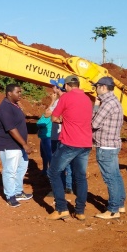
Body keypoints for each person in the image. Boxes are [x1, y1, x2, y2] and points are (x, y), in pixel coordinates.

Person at [48, 75, 93, 221]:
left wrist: (63, 120)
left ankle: (61, 208)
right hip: (85, 143)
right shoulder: (87, 99)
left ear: (67, 85)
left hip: (70, 142)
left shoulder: (66, 97)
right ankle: (80, 211)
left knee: (53, 172)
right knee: (80, 177)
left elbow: (53, 118)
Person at [91, 76, 126, 220]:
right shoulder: (114, 101)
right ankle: (120, 204)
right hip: (112, 145)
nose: (95, 89)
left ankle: (113, 210)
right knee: (115, 176)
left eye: (97, 87)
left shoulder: (107, 104)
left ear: (103, 87)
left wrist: (95, 107)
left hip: (105, 147)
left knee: (110, 178)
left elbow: (94, 123)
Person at [0, 83, 31, 208]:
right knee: (10, 171)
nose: (20, 94)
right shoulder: (5, 108)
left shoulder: (14, 105)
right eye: (18, 92)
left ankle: (18, 191)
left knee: (21, 168)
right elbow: (11, 129)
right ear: (9, 93)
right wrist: (24, 144)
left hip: (18, 145)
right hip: (9, 144)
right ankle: (10, 196)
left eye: (20, 91)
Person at [46, 80, 73, 196]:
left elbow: (47, 114)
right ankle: (69, 186)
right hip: (68, 136)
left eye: (54, 86)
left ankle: (59, 187)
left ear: (58, 88)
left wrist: (52, 101)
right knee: (68, 162)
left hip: (57, 136)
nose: (52, 87)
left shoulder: (59, 101)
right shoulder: (71, 100)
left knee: (57, 162)